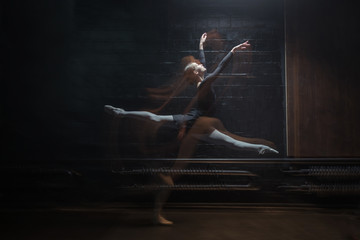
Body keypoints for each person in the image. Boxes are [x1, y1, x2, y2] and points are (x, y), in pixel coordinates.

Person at [105, 32, 279, 225]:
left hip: (192, 120)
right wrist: (233, 50)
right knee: (232, 142)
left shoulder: (201, 81)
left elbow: (204, 64)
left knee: (156, 119)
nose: (202, 63)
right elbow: (220, 67)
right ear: (197, 73)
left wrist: (201, 46)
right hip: (198, 125)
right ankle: (260, 148)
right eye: (199, 65)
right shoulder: (205, 81)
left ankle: (122, 113)